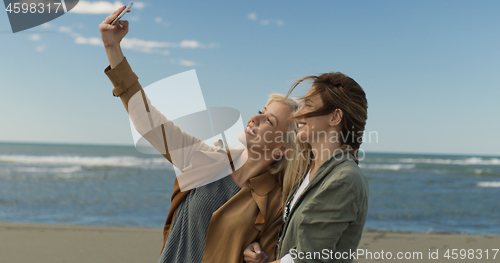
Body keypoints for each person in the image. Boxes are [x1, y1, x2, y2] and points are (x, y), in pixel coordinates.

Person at [99, 6, 308, 263]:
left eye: (269, 121)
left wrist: (260, 259)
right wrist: (112, 48)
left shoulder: (275, 203)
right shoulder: (208, 159)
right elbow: (148, 122)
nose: (255, 118)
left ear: (281, 149)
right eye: (260, 111)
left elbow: (278, 256)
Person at [243, 72, 369, 263]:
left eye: (308, 104)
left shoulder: (343, 179)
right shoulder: (310, 172)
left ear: (335, 117)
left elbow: (306, 259)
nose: (298, 113)